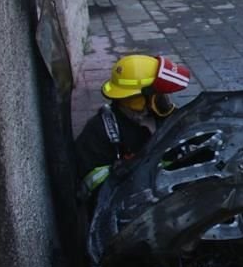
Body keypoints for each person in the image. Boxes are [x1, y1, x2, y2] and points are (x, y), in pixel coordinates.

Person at [75, 54, 191, 197]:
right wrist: (123, 171)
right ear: (138, 100)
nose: (164, 101)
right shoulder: (99, 132)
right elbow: (90, 183)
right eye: (159, 96)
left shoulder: (160, 118)